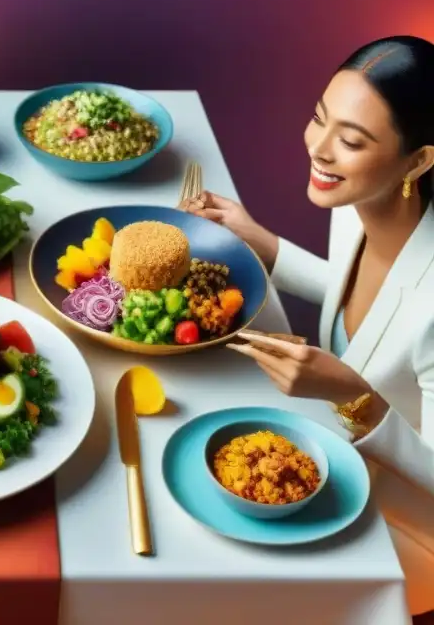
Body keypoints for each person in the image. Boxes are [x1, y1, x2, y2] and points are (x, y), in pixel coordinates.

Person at [183, 36, 434, 619]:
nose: (318, 149)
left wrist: (353, 396)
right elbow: (366, 306)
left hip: (404, 522)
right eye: (319, 119)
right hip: (324, 459)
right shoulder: (356, 208)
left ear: (419, 160)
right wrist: (265, 244)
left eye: (350, 141)